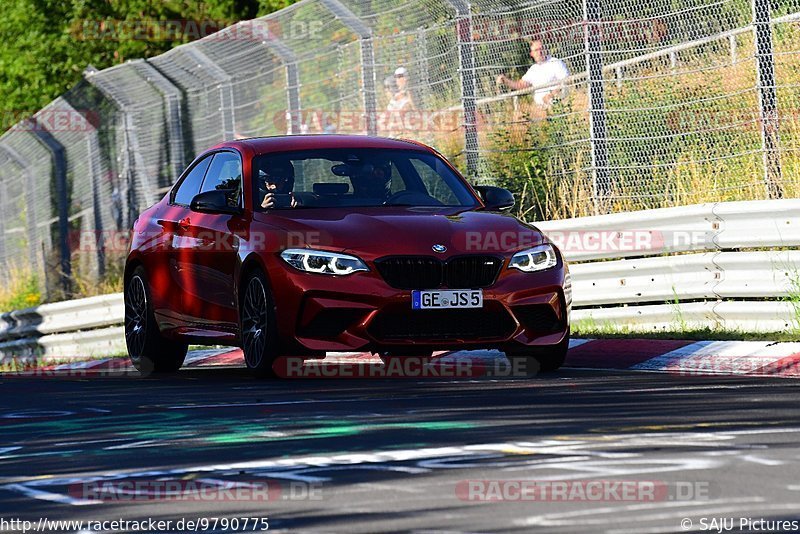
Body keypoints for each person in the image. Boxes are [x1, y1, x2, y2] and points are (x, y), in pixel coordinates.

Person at [496, 39, 570, 108]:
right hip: (541, 108)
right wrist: (505, 81)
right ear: (531, 54)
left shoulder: (555, 62)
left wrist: (552, 95)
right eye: (536, 50)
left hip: (558, 104)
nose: (539, 52)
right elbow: (520, 85)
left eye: (541, 49)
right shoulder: (533, 69)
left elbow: (565, 81)